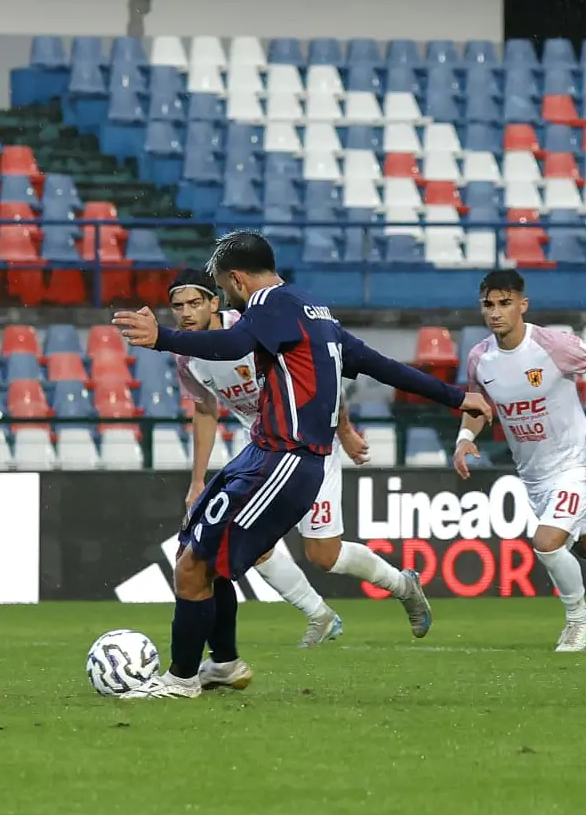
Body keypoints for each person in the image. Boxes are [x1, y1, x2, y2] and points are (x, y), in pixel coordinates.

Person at [112, 231, 492, 699]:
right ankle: (223, 663)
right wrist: (455, 396)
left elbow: (233, 344)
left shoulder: (268, 306)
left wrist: (162, 339)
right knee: (196, 552)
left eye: (223, 288)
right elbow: (380, 364)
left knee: (199, 565)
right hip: (263, 451)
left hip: (286, 457)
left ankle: (182, 679)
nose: (227, 298)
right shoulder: (312, 309)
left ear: (236, 279)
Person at [168, 267, 436, 648]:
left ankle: (401, 585)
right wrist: (197, 481)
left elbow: (317, 368)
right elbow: (205, 410)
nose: (186, 313)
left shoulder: (251, 327)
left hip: (308, 441)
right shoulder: (186, 357)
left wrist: (344, 429)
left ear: (215, 302)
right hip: (262, 448)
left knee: (323, 554)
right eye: (178, 306)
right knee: (249, 543)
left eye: (194, 303)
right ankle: (319, 615)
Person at [454, 269, 586, 652]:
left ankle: (578, 620)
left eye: (504, 303)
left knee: (547, 542)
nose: (495, 312)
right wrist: (465, 439)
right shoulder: (480, 357)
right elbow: (477, 406)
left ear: (522, 305)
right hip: (535, 475)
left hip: (575, 463)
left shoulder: (552, 345)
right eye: (488, 304)